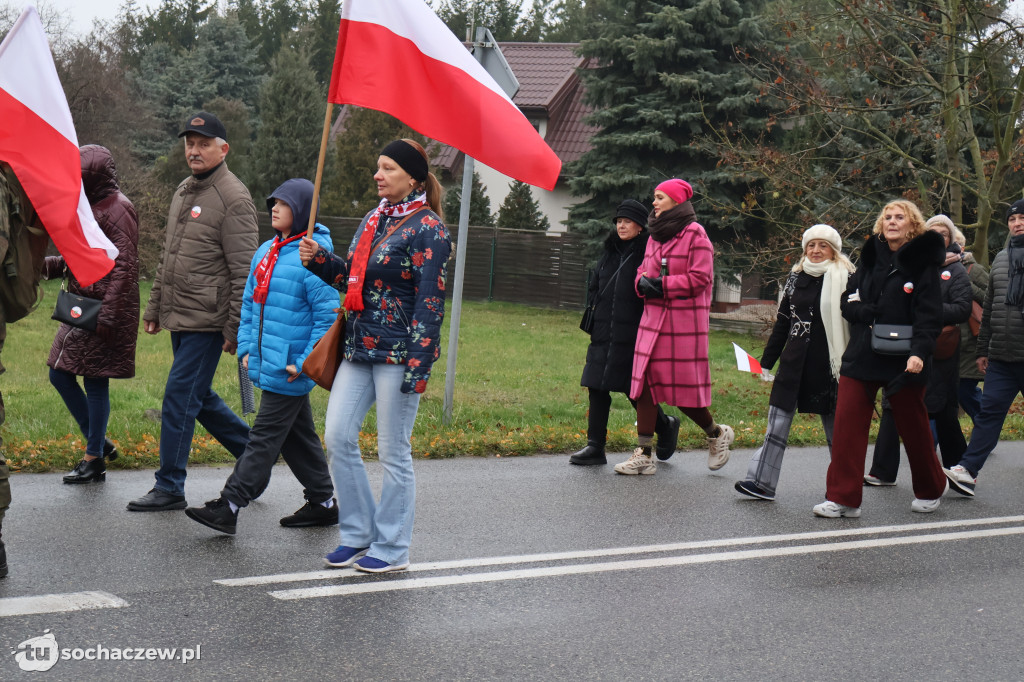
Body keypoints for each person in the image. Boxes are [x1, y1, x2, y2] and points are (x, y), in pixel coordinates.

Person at [299, 139, 451, 573]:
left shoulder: (429, 229)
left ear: (413, 178)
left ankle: (393, 547)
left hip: (400, 354)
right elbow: (355, 279)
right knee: (339, 437)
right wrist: (321, 262)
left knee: (393, 452)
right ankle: (357, 533)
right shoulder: (374, 219)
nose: (377, 175)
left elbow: (430, 303)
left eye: (386, 168)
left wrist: (419, 365)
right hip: (358, 346)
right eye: (377, 166)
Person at [185, 179, 339, 534]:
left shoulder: (313, 257)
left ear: (301, 211)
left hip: (289, 368)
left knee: (264, 437)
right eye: (273, 202)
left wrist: (302, 363)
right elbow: (251, 304)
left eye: (283, 203)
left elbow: (328, 317)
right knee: (297, 436)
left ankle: (231, 503)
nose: (274, 208)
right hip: (268, 361)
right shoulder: (267, 250)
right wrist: (246, 347)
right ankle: (324, 501)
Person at [128, 111, 258, 511]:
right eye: (190, 143)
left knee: (179, 397)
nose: (194, 150)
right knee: (198, 400)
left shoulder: (233, 197)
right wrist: (154, 307)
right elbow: (169, 256)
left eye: (203, 143)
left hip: (208, 320)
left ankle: (169, 486)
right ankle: (257, 457)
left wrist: (235, 327)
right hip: (180, 314)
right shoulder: (184, 190)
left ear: (223, 149)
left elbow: (244, 271)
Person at [813, 200, 947, 517]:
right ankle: (843, 499)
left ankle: (930, 489)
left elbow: (930, 316)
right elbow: (850, 299)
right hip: (863, 353)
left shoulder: (923, 263)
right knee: (846, 427)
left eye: (899, 217)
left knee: (914, 429)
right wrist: (862, 309)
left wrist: (919, 354)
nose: (892, 221)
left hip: (906, 358)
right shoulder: (871, 256)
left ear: (912, 224)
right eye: (887, 217)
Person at [617, 178, 733, 475]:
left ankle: (716, 434)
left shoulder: (696, 234)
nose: (653, 202)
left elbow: (701, 279)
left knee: (683, 392)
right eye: (654, 197)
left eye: (659, 197)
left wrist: (663, 285)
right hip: (652, 321)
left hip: (682, 324)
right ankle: (644, 452)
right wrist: (643, 283)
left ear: (676, 200)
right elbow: (642, 271)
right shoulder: (655, 235)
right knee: (643, 384)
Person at [735, 224, 854, 500]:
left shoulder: (847, 278)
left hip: (830, 366)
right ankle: (761, 483)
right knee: (776, 424)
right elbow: (783, 322)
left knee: (837, 431)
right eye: (811, 245)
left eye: (822, 245)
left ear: (833, 250)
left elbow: (855, 321)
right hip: (794, 362)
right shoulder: (795, 277)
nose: (815, 250)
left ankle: (844, 489)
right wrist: (767, 361)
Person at [45, 145, 139, 484]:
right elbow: (80, 258)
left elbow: (125, 266)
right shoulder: (90, 208)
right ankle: (97, 444)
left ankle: (93, 456)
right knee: (60, 373)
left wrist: (108, 316)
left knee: (95, 381)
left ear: (94, 177)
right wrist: (43, 267)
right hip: (82, 305)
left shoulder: (119, 209)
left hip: (103, 310)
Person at [570, 199, 679, 466]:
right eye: (618, 221)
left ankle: (665, 427)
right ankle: (595, 446)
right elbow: (595, 285)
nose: (621, 225)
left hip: (635, 333)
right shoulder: (609, 252)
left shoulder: (647, 254)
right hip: (604, 331)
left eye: (627, 221)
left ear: (640, 226)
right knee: (595, 386)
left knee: (635, 391)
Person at [865, 214, 971, 484]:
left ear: (951, 239)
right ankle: (883, 471)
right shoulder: (910, 263)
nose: (937, 238)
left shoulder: (956, 270)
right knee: (892, 404)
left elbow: (962, 308)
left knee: (942, 411)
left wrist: (928, 306)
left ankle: (959, 469)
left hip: (940, 351)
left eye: (943, 234)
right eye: (932, 232)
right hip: (905, 347)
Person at [944, 198, 1024, 497]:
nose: (1017, 224)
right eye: (1013, 220)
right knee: (989, 415)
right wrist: (983, 350)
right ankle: (967, 472)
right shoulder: (1002, 258)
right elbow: (989, 308)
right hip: (1001, 356)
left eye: (1022, 219)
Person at [955, 227, 989, 422]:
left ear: (963, 247)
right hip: (946, 341)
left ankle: (986, 425)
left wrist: (967, 284)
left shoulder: (975, 270)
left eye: (957, 244)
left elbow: (991, 299)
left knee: (965, 389)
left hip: (970, 343)